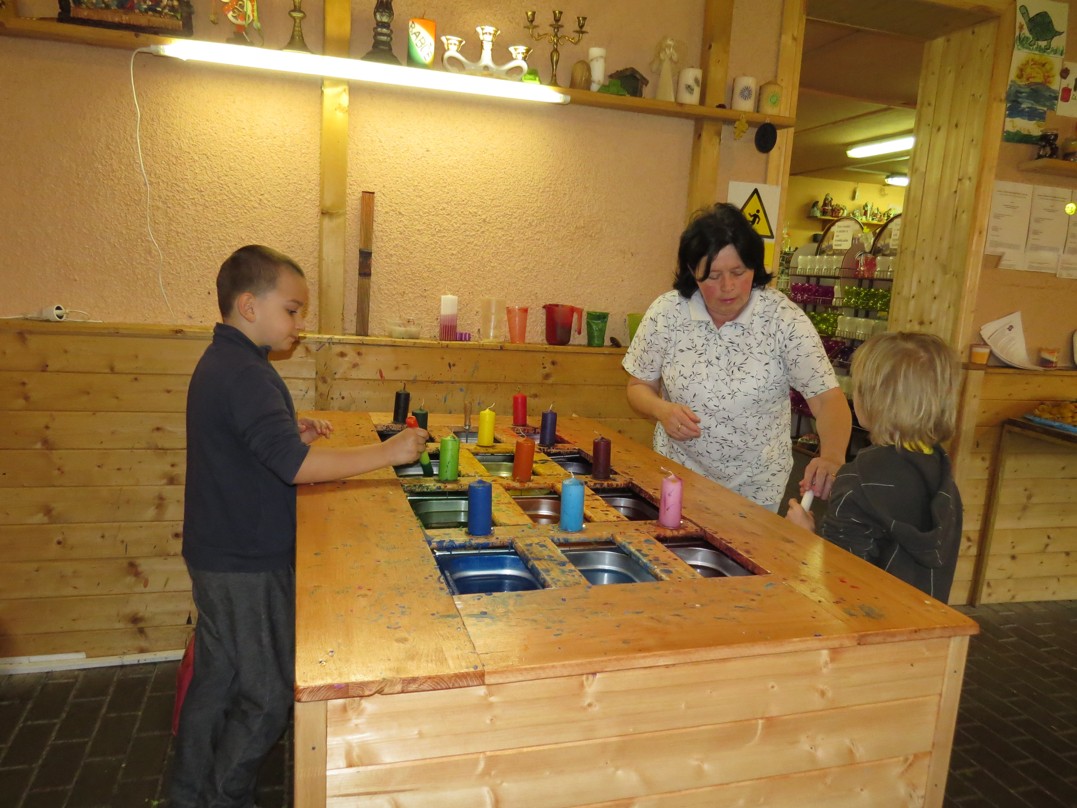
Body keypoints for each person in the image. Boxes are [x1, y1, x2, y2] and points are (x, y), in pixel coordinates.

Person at [171, 245, 428, 808]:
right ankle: (223, 797)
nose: (299, 323)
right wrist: (388, 453)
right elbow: (294, 467)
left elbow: (260, 447)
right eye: (291, 310)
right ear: (248, 305)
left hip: (218, 551)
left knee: (217, 680)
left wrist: (291, 433)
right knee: (266, 695)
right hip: (245, 562)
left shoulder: (227, 360)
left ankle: (188, 794)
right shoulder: (246, 374)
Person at [623, 203, 851, 511]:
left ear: (754, 267)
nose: (727, 287)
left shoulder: (783, 319)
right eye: (713, 276)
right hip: (676, 474)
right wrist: (661, 410)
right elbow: (638, 386)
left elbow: (827, 400)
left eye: (738, 272)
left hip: (755, 487)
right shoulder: (667, 312)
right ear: (693, 271)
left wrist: (832, 456)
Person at [785, 331, 962, 601]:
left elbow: (837, 581)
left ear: (872, 400)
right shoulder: (942, 475)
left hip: (863, 620)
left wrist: (804, 538)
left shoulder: (858, 479)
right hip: (920, 620)